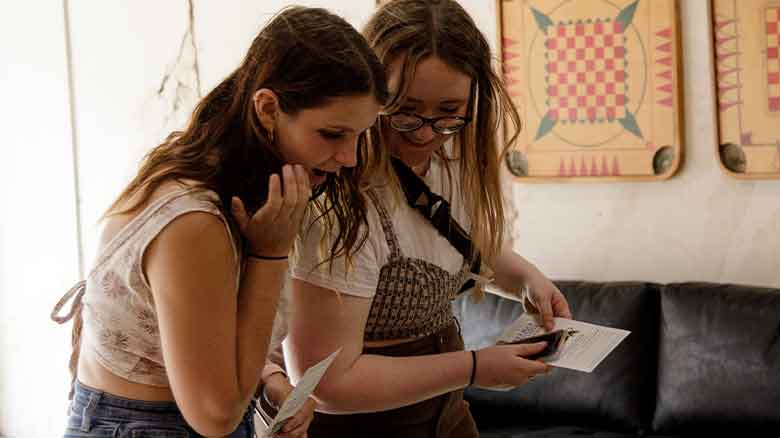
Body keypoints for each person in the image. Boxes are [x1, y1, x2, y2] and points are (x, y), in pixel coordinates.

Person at [50, 6, 388, 438]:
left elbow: (204, 336)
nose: (350, 158)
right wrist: (271, 253)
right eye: (332, 134)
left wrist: (268, 379)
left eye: (361, 134)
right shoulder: (194, 221)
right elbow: (214, 416)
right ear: (267, 108)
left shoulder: (231, 183)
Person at [282, 0, 572, 436]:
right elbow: (325, 384)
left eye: (448, 112)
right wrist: (472, 368)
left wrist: (527, 279)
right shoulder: (340, 203)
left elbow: (459, 240)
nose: (425, 133)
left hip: (447, 418)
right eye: (404, 110)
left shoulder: (449, 161)